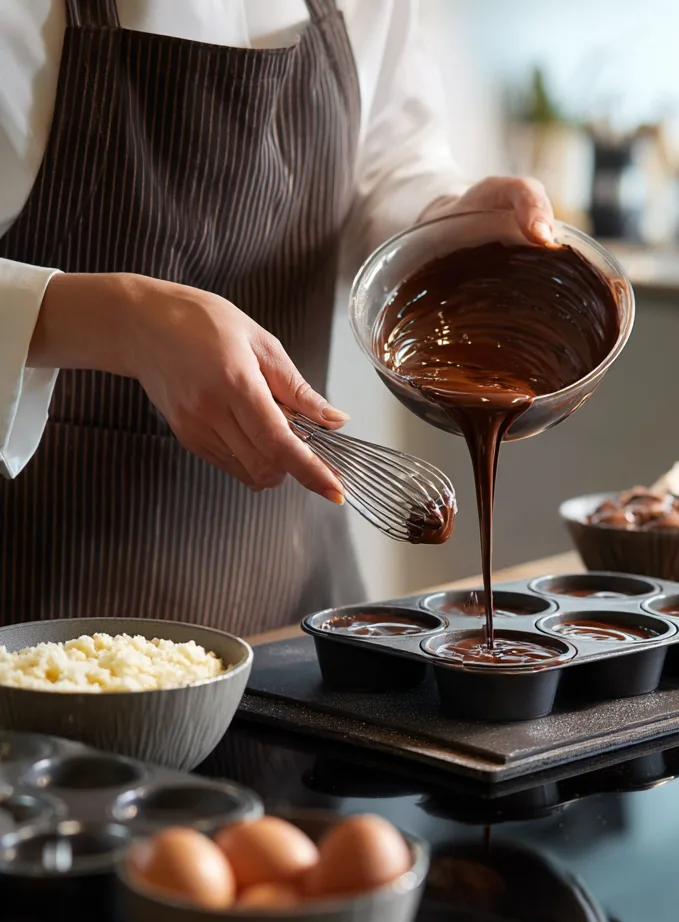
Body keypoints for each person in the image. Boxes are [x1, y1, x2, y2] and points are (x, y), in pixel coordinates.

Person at [0, 0, 554, 635]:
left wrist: (450, 226)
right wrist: (122, 320)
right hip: (38, 611)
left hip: (293, 596)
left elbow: (389, 169)